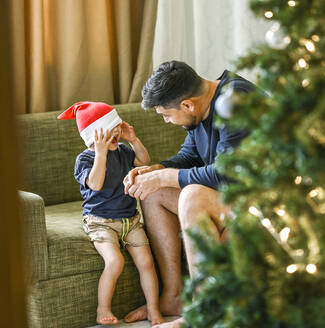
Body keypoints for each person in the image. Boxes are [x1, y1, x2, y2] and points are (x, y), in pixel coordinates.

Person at [122, 61, 255, 327]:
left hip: (266, 200)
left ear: (188, 105)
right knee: (154, 192)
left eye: (166, 115)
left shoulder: (235, 100)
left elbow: (229, 173)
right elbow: (190, 156)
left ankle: (203, 313)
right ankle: (173, 297)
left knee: (192, 193)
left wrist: (166, 177)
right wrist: (158, 170)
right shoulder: (200, 110)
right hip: (233, 199)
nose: (166, 121)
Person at [58, 102, 165, 326]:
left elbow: (144, 162)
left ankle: (153, 309)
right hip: (100, 221)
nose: (116, 132)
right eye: (110, 128)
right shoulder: (85, 160)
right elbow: (95, 184)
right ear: (93, 136)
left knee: (147, 262)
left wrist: (133, 139)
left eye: (117, 126)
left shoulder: (124, 151)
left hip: (130, 220)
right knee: (114, 261)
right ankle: (102, 309)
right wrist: (100, 153)